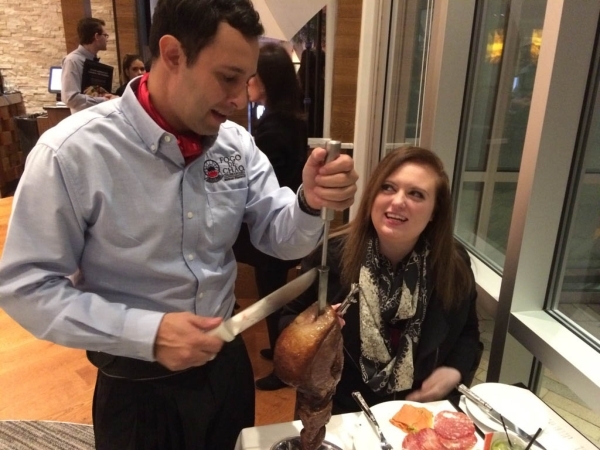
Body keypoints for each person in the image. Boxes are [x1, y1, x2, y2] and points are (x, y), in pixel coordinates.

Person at [0, 0, 358, 449]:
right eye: (227, 78)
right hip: (135, 383)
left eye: (246, 80)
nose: (240, 99)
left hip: (227, 364)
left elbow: (280, 237)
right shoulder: (72, 153)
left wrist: (309, 201)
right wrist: (146, 333)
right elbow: (26, 287)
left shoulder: (236, 145)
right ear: (172, 54)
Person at [280, 146, 482, 414]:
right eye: (388, 188)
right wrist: (318, 335)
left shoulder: (453, 263)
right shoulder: (331, 256)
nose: (397, 201)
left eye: (416, 194)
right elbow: (287, 322)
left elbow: (468, 332)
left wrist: (455, 370)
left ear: (435, 211)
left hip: (417, 413)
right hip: (340, 413)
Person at [232, 42, 307, 391]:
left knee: (273, 296)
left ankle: (284, 368)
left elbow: (262, 187)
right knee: (273, 292)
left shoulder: (274, 127)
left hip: (277, 223)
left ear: (265, 80)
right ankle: (278, 351)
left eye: (251, 76)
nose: (246, 82)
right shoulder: (289, 120)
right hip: (285, 217)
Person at [61, 17, 117, 114]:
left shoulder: (93, 60)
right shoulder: (72, 60)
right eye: (105, 35)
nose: (107, 39)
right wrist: (104, 100)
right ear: (97, 36)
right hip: (83, 120)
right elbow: (70, 98)